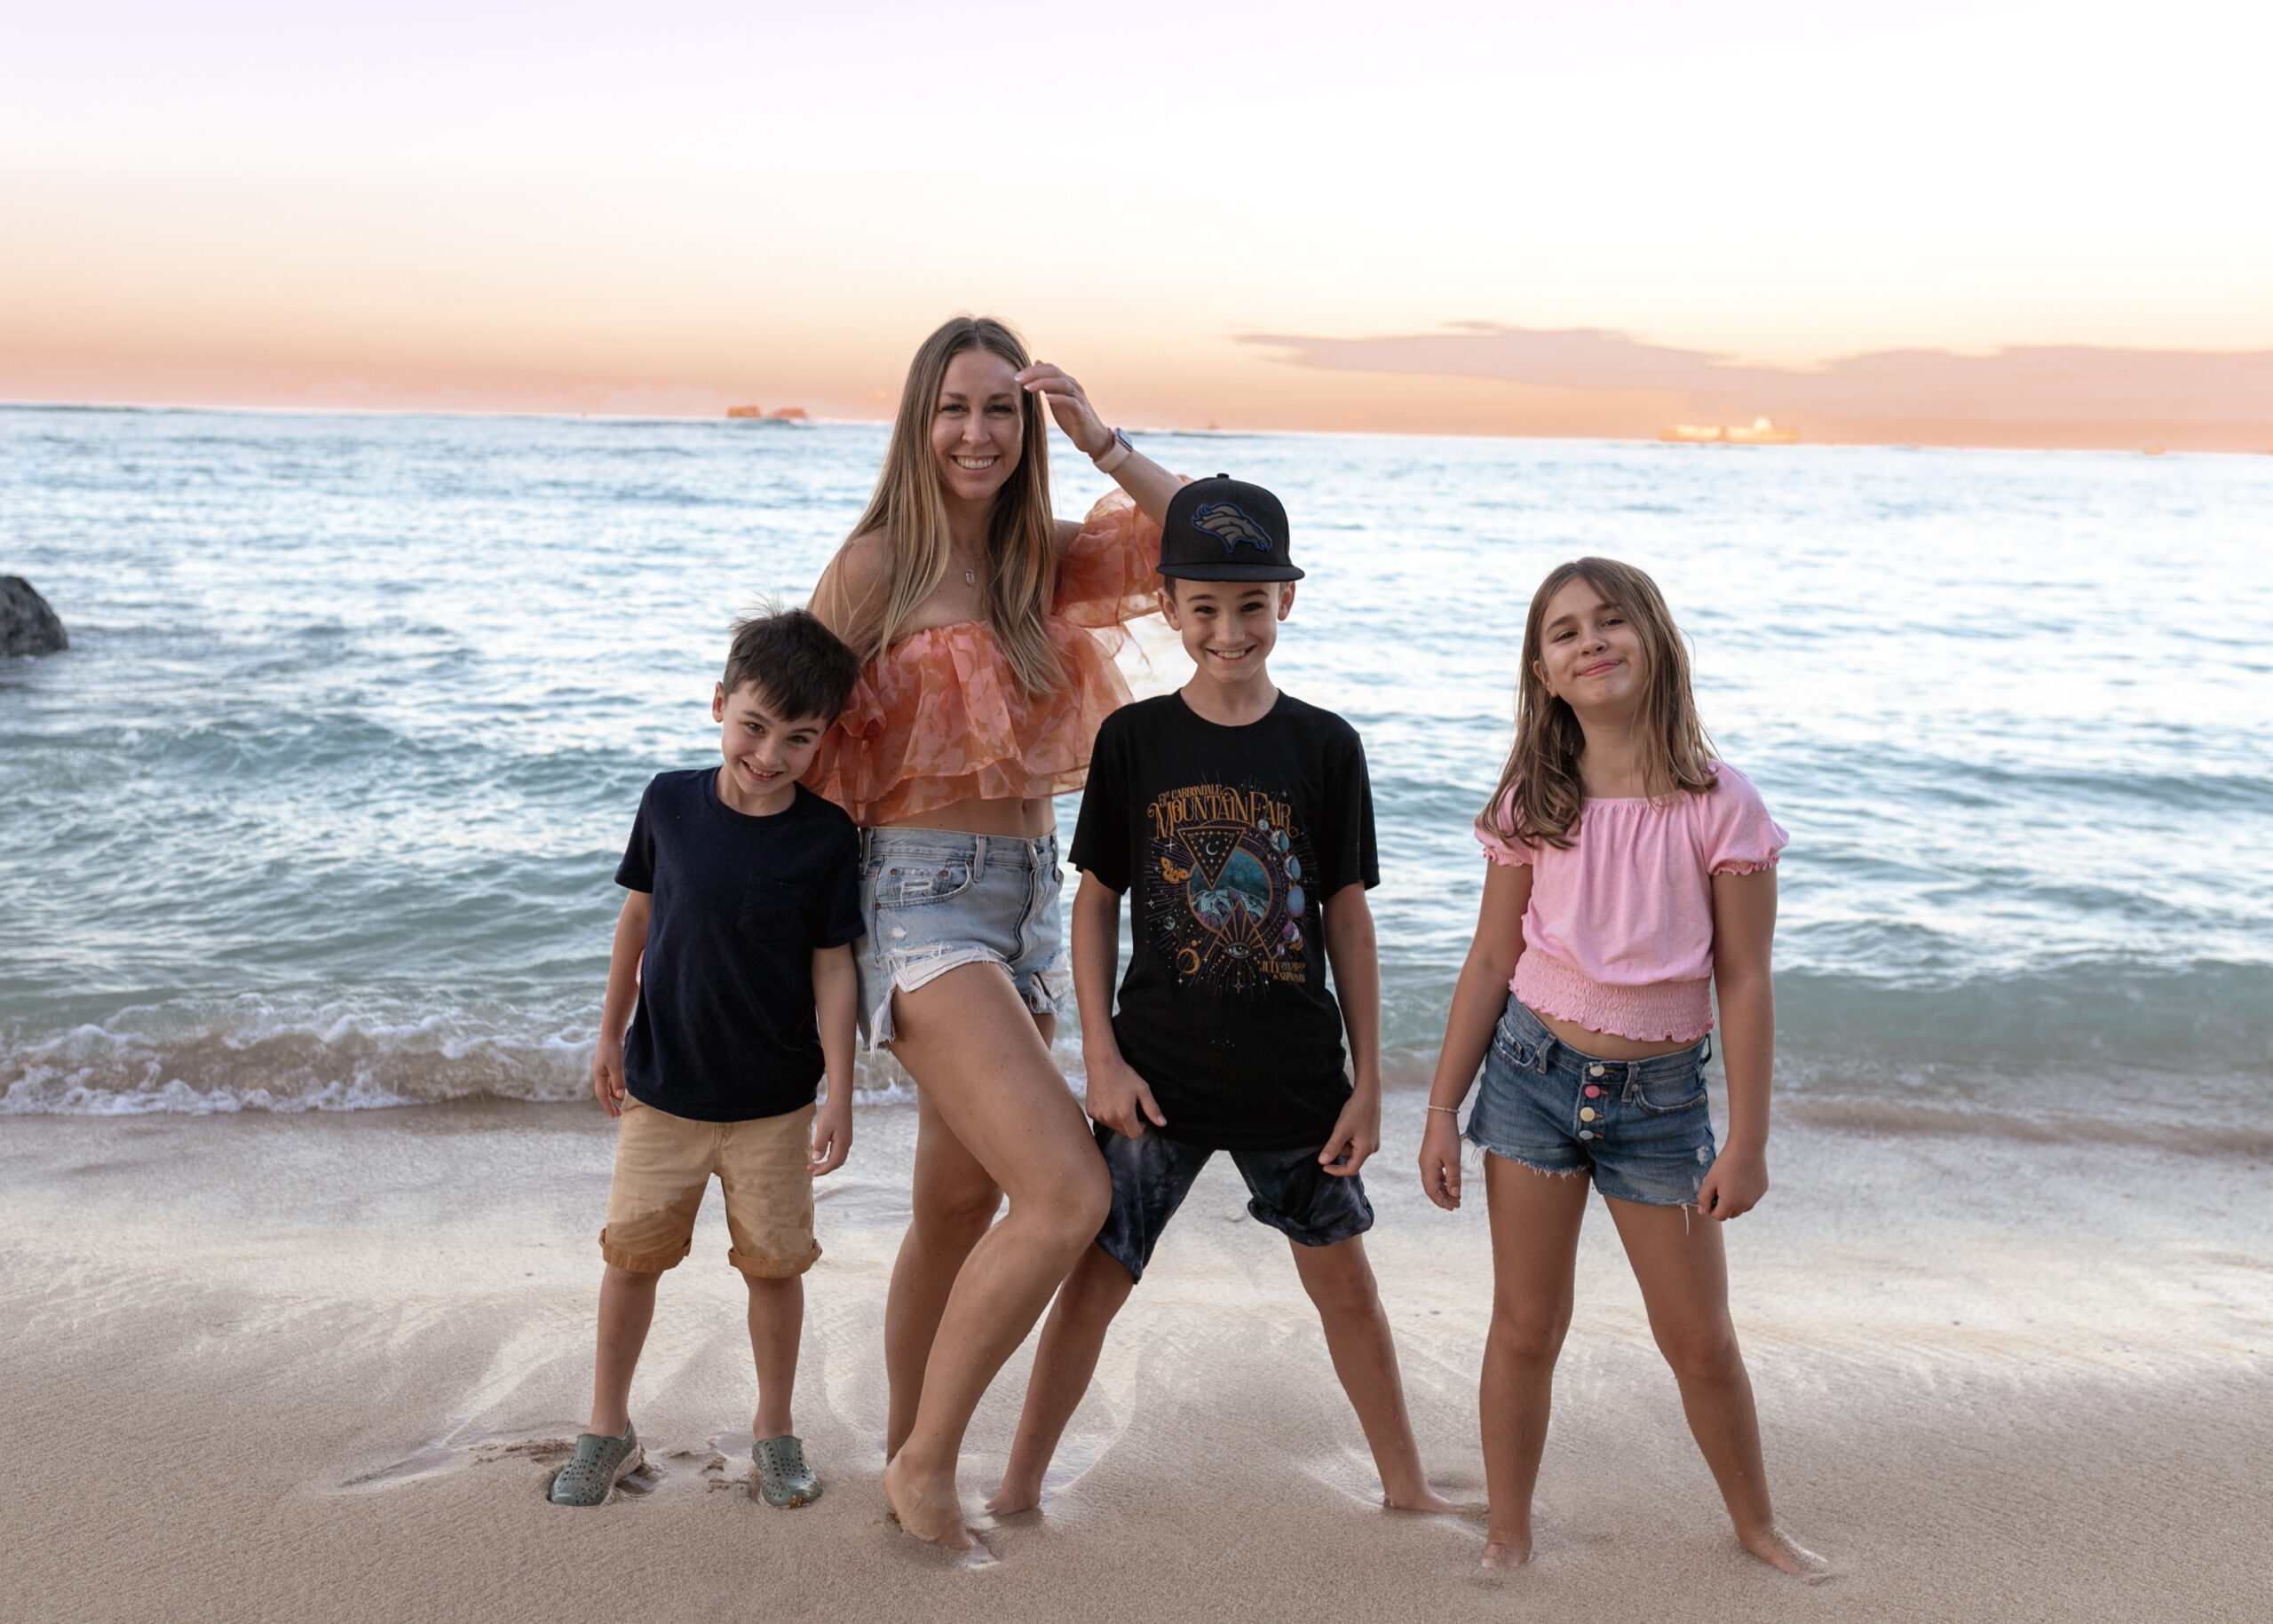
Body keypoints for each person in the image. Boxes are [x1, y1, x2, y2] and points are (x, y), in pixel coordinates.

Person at [986, 477, 1455, 1519]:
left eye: (1250, 604)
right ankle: (1017, 1487)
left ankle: (1409, 1486)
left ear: (1287, 600)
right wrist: (1100, 1056)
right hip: (1157, 1075)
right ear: (1168, 604)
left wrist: (1370, 1082)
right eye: (1203, 605)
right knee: (1096, 1282)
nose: (1228, 629)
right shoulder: (1134, 742)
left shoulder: (1325, 745)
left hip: (1295, 1076)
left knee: (1344, 1285)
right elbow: (1096, 900)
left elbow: (1345, 919)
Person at [805, 315, 1182, 1550]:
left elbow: (1215, 541)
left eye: (1002, 412)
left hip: (1021, 904)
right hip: (916, 904)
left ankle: (903, 1439)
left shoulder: (1044, 563)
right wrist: (790, 983)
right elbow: (787, 750)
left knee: (956, 1217)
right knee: (1066, 1191)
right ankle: (926, 1465)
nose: (978, 433)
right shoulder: (874, 570)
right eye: (956, 408)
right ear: (919, 423)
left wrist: (1103, 438)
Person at [1415, 558, 1825, 1573]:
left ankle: (1757, 1524)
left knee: (1697, 1337)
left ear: (1654, 638)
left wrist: (1749, 1138)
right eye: (1564, 631)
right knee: (1524, 1324)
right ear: (1544, 672)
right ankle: (1508, 1533)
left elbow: (1744, 978)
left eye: (1609, 620)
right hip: (1527, 1078)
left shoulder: (1719, 804)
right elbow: (1490, 957)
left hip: (1659, 1101)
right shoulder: (1532, 801)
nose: (1589, 640)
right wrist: (1437, 1107)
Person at [550, 608, 863, 1511]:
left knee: (774, 1268)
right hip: (663, 1090)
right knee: (631, 1261)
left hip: (773, 1103)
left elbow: (833, 965)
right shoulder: (667, 801)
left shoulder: (824, 835)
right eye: (754, 727)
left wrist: (841, 1091)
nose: (768, 755)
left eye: (797, 739)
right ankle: (608, 1427)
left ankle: (774, 1432)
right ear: (720, 704)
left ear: (823, 740)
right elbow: (638, 920)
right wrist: (608, 1031)